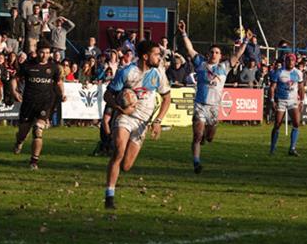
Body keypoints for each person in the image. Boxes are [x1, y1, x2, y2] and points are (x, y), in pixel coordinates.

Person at [102, 40, 172, 209]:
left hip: (142, 122)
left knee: (126, 165)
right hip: (125, 118)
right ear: (145, 56)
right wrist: (120, 108)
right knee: (118, 151)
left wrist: (158, 121)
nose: (159, 57)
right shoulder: (127, 72)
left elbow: (167, 98)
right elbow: (108, 95)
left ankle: (118, 164)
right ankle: (109, 196)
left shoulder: (159, 74)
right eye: (156, 54)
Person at [178, 20, 249, 174]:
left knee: (209, 138)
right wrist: (183, 33)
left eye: (217, 52)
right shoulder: (201, 64)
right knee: (197, 136)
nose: (214, 54)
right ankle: (196, 162)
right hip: (200, 105)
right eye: (212, 52)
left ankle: (205, 136)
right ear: (208, 54)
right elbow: (189, 48)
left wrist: (246, 41)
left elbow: (238, 54)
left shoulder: (224, 67)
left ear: (220, 56)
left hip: (214, 108)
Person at [10, 40, 66, 170]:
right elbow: (15, 79)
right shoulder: (27, 66)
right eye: (42, 52)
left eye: (47, 52)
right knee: (23, 132)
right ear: (37, 51)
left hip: (45, 103)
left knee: (37, 130)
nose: (44, 55)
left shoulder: (54, 68)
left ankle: (34, 161)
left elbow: (59, 82)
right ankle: (19, 142)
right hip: (28, 104)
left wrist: (62, 94)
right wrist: (14, 91)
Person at [269, 53, 305, 156]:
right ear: (285, 61)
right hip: (281, 100)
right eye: (288, 60)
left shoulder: (298, 73)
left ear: (295, 62)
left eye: (292, 60)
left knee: (297, 123)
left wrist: (301, 101)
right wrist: (272, 100)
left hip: (293, 101)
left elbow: (301, 88)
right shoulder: (279, 72)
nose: (290, 62)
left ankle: (292, 148)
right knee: (277, 124)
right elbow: (272, 87)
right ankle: (272, 148)